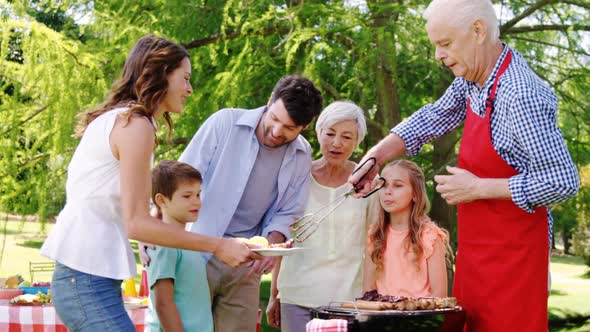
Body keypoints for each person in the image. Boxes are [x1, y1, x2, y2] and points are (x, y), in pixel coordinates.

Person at [350, 1, 580, 331]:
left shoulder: (519, 93)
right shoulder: (474, 80)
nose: (438, 55)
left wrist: (479, 188)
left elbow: (562, 180)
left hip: (514, 265)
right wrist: (377, 156)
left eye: (445, 44)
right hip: (476, 257)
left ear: (477, 31)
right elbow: (433, 116)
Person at [40, 35, 257, 332]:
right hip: (84, 282)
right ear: (162, 74)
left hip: (87, 280)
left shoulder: (126, 121)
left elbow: (140, 216)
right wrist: (218, 245)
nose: (190, 89)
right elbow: (137, 224)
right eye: (185, 78)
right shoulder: (134, 125)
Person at [141, 75, 323, 331]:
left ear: (306, 125)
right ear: (269, 101)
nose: (277, 131)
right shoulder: (225, 122)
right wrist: (156, 226)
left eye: (290, 128)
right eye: (274, 119)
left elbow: (288, 210)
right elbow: (180, 178)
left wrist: (269, 246)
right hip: (197, 249)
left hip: (246, 264)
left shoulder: (302, 155)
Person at [266, 101, 379, 331]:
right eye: (330, 133)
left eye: (347, 137)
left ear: (357, 142)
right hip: (296, 295)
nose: (336, 143)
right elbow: (284, 238)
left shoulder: (367, 184)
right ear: (319, 133)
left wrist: (369, 299)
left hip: (346, 302)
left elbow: (373, 246)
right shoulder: (298, 176)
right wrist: (274, 293)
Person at [363, 160, 451, 298]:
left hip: (420, 317)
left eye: (397, 185)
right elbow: (368, 292)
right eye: (384, 185)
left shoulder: (430, 236)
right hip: (382, 318)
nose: (388, 191)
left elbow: (439, 296)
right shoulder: (375, 235)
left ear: (415, 194)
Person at [145, 160, 213, 332]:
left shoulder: (188, 242)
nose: (196, 202)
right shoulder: (165, 244)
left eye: (198, 195)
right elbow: (163, 304)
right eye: (187, 196)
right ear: (162, 200)